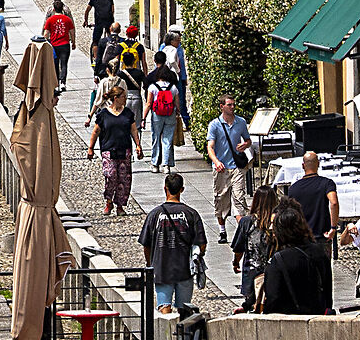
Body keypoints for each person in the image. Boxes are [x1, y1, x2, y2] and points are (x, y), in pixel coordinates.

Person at [140, 170, 206, 315]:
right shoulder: (191, 214)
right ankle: (184, 336)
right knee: (185, 310)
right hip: (184, 269)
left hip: (162, 269)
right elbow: (201, 243)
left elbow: (146, 244)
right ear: (182, 190)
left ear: (165, 188)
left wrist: (151, 264)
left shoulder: (155, 214)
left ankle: (167, 337)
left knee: (164, 307)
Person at [258, 203, 332, 315]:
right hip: (318, 318)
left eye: (274, 225)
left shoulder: (278, 260)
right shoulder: (320, 252)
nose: (270, 228)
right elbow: (327, 292)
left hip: (290, 321)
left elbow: (273, 299)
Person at [87, 81, 139, 218]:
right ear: (116, 98)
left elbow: (133, 130)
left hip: (124, 150)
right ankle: (109, 201)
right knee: (110, 176)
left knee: (124, 179)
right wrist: (90, 148)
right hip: (108, 150)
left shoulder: (127, 113)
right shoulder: (104, 114)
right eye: (123, 97)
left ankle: (120, 205)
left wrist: (138, 145)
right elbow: (96, 131)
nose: (125, 100)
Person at [206, 97, 252, 241]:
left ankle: (242, 230)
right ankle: (222, 230)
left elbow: (248, 140)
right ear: (222, 106)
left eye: (234, 104)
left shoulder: (241, 122)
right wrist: (216, 161)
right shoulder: (215, 125)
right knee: (221, 199)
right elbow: (210, 147)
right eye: (229, 105)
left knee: (239, 197)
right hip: (222, 168)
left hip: (237, 167)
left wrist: (245, 145)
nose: (232, 107)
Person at [230, 184, 280, 307]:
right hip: (275, 271)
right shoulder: (278, 221)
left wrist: (236, 262)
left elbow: (239, 248)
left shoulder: (246, 222)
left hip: (252, 272)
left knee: (252, 305)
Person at [287, 150, 341, 261]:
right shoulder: (327, 183)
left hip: (301, 238)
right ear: (318, 164)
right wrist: (333, 227)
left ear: (303, 166)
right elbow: (334, 202)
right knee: (324, 273)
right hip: (321, 236)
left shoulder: (293, 188)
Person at [143, 52, 181, 173]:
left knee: (156, 138)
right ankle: (166, 165)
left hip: (157, 114)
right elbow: (177, 103)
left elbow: (148, 104)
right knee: (167, 139)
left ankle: (155, 164)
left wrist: (143, 118)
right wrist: (178, 113)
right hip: (170, 114)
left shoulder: (153, 87)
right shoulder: (173, 88)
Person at [42, 0, 75, 87]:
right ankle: (63, 82)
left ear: (53, 9)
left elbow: (46, 33)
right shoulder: (67, 19)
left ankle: (56, 82)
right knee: (64, 63)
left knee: (55, 64)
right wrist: (73, 42)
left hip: (54, 44)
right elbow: (72, 31)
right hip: (64, 44)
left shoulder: (50, 20)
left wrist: (45, 42)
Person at [86, 0, 115, 77]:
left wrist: (85, 21)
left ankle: (95, 58)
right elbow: (112, 10)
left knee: (95, 41)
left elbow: (87, 10)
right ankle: (112, 53)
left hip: (99, 22)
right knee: (111, 38)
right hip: (108, 22)